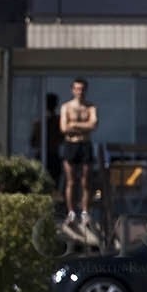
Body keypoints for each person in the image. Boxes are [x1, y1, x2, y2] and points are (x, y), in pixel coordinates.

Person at [59, 78, 98, 227]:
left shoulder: (90, 107)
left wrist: (74, 124)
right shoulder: (66, 107)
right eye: (77, 89)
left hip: (85, 145)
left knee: (86, 181)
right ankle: (71, 212)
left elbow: (93, 124)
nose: (79, 92)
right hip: (71, 145)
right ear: (72, 90)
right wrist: (83, 126)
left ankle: (85, 212)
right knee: (71, 181)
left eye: (82, 89)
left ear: (85, 90)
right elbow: (64, 128)